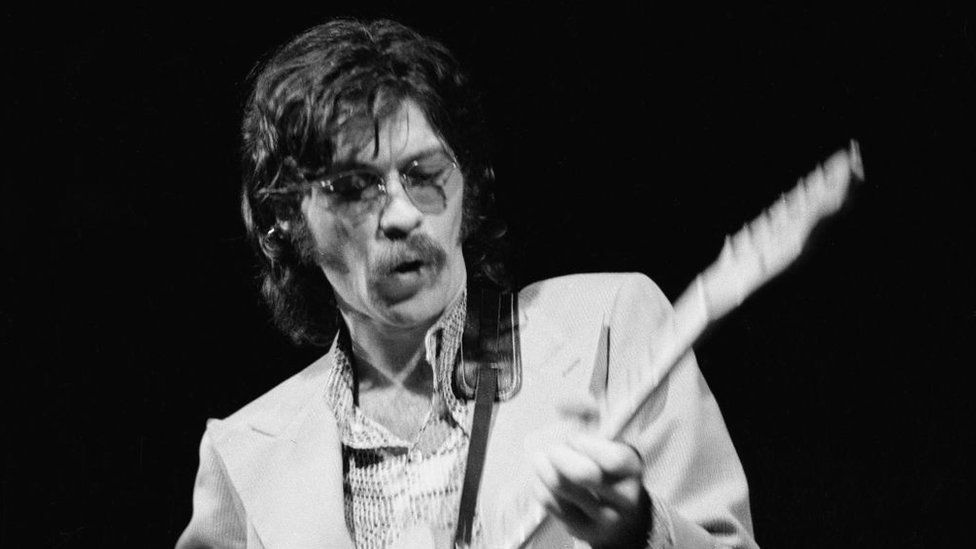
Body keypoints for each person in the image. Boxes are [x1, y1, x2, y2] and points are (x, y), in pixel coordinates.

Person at [177, 19, 756, 549]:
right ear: (285, 221)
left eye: (424, 174)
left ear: (469, 185)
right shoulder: (243, 459)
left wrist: (641, 528)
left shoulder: (609, 327)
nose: (402, 213)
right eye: (354, 187)